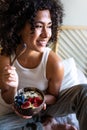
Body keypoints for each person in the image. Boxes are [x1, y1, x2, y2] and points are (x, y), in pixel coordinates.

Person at [0, 0, 87, 130]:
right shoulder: (6, 58)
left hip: (47, 108)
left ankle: (47, 121)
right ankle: (48, 125)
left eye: (49, 26)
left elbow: (54, 97)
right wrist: (13, 88)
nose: (46, 34)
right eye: (39, 26)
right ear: (18, 28)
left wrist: (35, 101)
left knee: (84, 92)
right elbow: (7, 99)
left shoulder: (54, 62)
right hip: (16, 113)